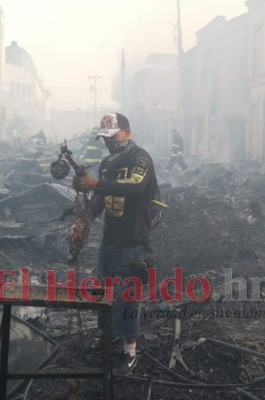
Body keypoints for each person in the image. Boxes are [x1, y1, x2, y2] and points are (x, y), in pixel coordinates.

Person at [73, 112, 156, 375]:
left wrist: (96, 183)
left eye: (113, 136)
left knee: (127, 296)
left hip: (134, 239)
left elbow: (134, 186)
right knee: (102, 291)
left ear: (127, 133)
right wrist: (84, 218)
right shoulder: (107, 163)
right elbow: (100, 197)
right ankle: (107, 336)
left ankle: (130, 351)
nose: (109, 142)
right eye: (105, 138)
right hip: (110, 239)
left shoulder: (140, 158)